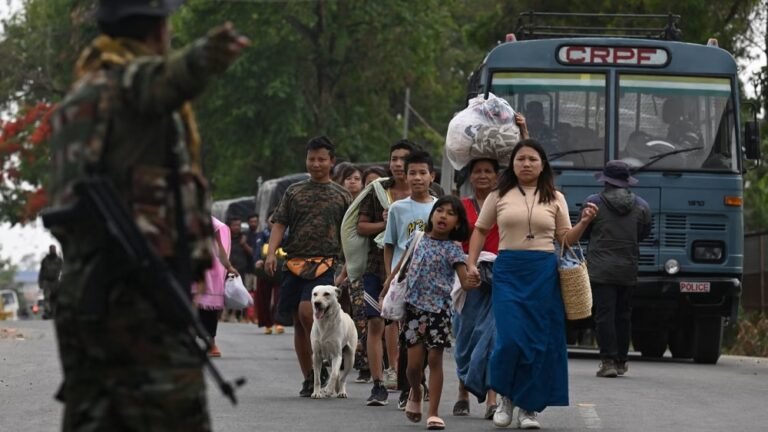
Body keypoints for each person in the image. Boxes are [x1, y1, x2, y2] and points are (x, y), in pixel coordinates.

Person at [45, 0, 249, 430]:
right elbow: (155, 82)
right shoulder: (121, 83)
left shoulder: (83, 93)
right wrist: (203, 56)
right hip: (134, 290)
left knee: (97, 413)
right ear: (158, 30)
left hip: (95, 287)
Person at [466, 139, 598, 430]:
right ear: (512, 164)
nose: (526, 164)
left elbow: (565, 239)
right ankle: (506, 398)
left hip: (543, 272)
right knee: (510, 339)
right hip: (509, 271)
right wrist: (471, 265)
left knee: (538, 342)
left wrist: (584, 222)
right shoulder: (498, 194)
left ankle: (529, 409)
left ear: (542, 165)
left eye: (532, 159)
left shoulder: (555, 197)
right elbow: (480, 231)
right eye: (520, 159)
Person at [265, 136, 352, 397]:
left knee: (307, 312)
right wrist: (271, 254)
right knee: (297, 320)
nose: (316, 164)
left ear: (331, 162)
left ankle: (326, 363)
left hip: (326, 263)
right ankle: (311, 376)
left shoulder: (342, 195)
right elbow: (279, 223)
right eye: (311, 159)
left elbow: (350, 233)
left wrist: (348, 265)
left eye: (321, 159)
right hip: (293, 262)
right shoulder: (294, 191)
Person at [381, 196, 477, 430]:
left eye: (450, 213)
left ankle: (433, 412)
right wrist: (388, 284)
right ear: (432, 215)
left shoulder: (454, 249)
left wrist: (472, 279)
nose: (443, 216)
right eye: (439, 210)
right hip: (413, 310)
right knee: (413, 366)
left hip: (440, 311)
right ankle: (416, 390)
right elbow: (402, 264)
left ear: (457, 223)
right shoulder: (418, 238)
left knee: (435, 359)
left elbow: (464, 282)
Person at [356, 140, 417, 405]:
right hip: (377, 268)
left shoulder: (430, 193)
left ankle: (408, 384)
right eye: (393, 158)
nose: (397, 164)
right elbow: (361, 227)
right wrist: (386, 220)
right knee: (375, 323)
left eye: (403, 159)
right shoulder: (377, 191)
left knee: (408, 328)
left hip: (414, 272)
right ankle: (378, 384)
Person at [583, 161, 651, 377]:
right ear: (626, 182)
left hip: (601, 269)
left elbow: (584, 232)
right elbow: (643, 233)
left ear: (605, 181)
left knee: (604, 315)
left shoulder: (593, 203)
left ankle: (608, 361)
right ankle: (622, 360)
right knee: (623, 314)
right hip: (628, 267)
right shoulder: (642, 205)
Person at [383, 149, 439, 408]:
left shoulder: (439, 207)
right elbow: (390, 245)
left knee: (429, 338)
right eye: (412, 173)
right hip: (405, 281)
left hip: (433, 282)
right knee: (408, 336)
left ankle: (419, 378)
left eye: (422, 173)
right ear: (405, 177)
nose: (417, 178)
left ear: (432, 176)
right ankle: (408, 388)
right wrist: (389, 279)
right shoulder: (397, 208)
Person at [452, 158, 500, 420]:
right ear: (470, 177)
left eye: (488, 171)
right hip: (466, 277)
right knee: (465, 334)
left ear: (497, 176)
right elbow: (452, 242)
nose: (483, 176)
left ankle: (492, 398)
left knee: (491, 337)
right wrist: (465, 268)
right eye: (477, 171)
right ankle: (463, 391)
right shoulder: (462, 207)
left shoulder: (504, 204)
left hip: (498, 277)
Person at [195, 217, 238, 358]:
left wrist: (229, 266)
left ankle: (212, 344)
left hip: (210, 272)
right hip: (188, 269)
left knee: (208, 311)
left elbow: (220, 248)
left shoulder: (212, 223)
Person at [254, 212, 285, 335]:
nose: (274, 222)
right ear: (267, 220)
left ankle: (279, 322)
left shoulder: (286, 234)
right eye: (272, 220)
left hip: (281, 269)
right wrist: (258, 260)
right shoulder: (261, 235)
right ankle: (267, 323)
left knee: (280, 297)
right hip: (264, 270)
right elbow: (256, 250)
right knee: (263, 297)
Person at [226, 216, 254, 323]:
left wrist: (244, 244)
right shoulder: (226, 237)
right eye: (234, 225)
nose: (236, 227)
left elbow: (253, 253)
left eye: (238, 225)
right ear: (229, 226)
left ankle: (241, 316)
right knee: (227, 292)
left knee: (241, 292)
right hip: (228, 268)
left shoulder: (244, 238)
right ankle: (225, 314)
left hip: (242, 269)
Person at [38, 244, 63, 319]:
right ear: (49, 250)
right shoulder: (45, 260)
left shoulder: (59, 260)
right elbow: (41, 272)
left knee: (55, 298)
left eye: (54, 249)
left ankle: (54, 312)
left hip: (55, 281)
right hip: (47, 281)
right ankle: (47, 312)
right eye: (51, 249)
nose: (52, 250)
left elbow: (63, 270)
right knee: (47, 298)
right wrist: (40, 282)